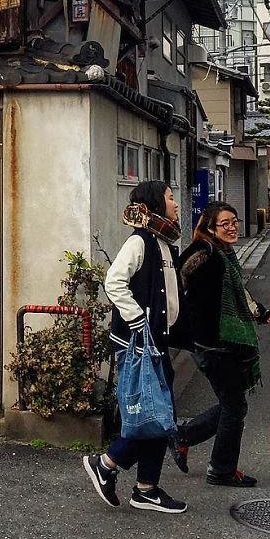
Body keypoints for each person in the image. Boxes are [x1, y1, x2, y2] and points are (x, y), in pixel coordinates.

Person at [83, 180, 191, 513]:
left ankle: (144, 487)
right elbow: (114, 281)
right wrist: (137, 321)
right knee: (154, 415)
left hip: (158, 341)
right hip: (139, 344)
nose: (176, 203)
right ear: (156, 203)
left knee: (159, 414)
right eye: (171, 198)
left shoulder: (164, 243)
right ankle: (109, 464)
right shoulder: (140, 241)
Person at [167, 201, 270, 487]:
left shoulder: (224, 254)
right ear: (209, 227)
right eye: (224, 223)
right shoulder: (203, 254)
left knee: (233, 404)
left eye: (235, 222)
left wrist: (260, 311)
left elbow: (236, 292)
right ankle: (220, 469)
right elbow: (180, 289)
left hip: (221, 344)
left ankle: (185, 437)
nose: (231, 228)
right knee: (234, 406)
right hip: (212, 345)